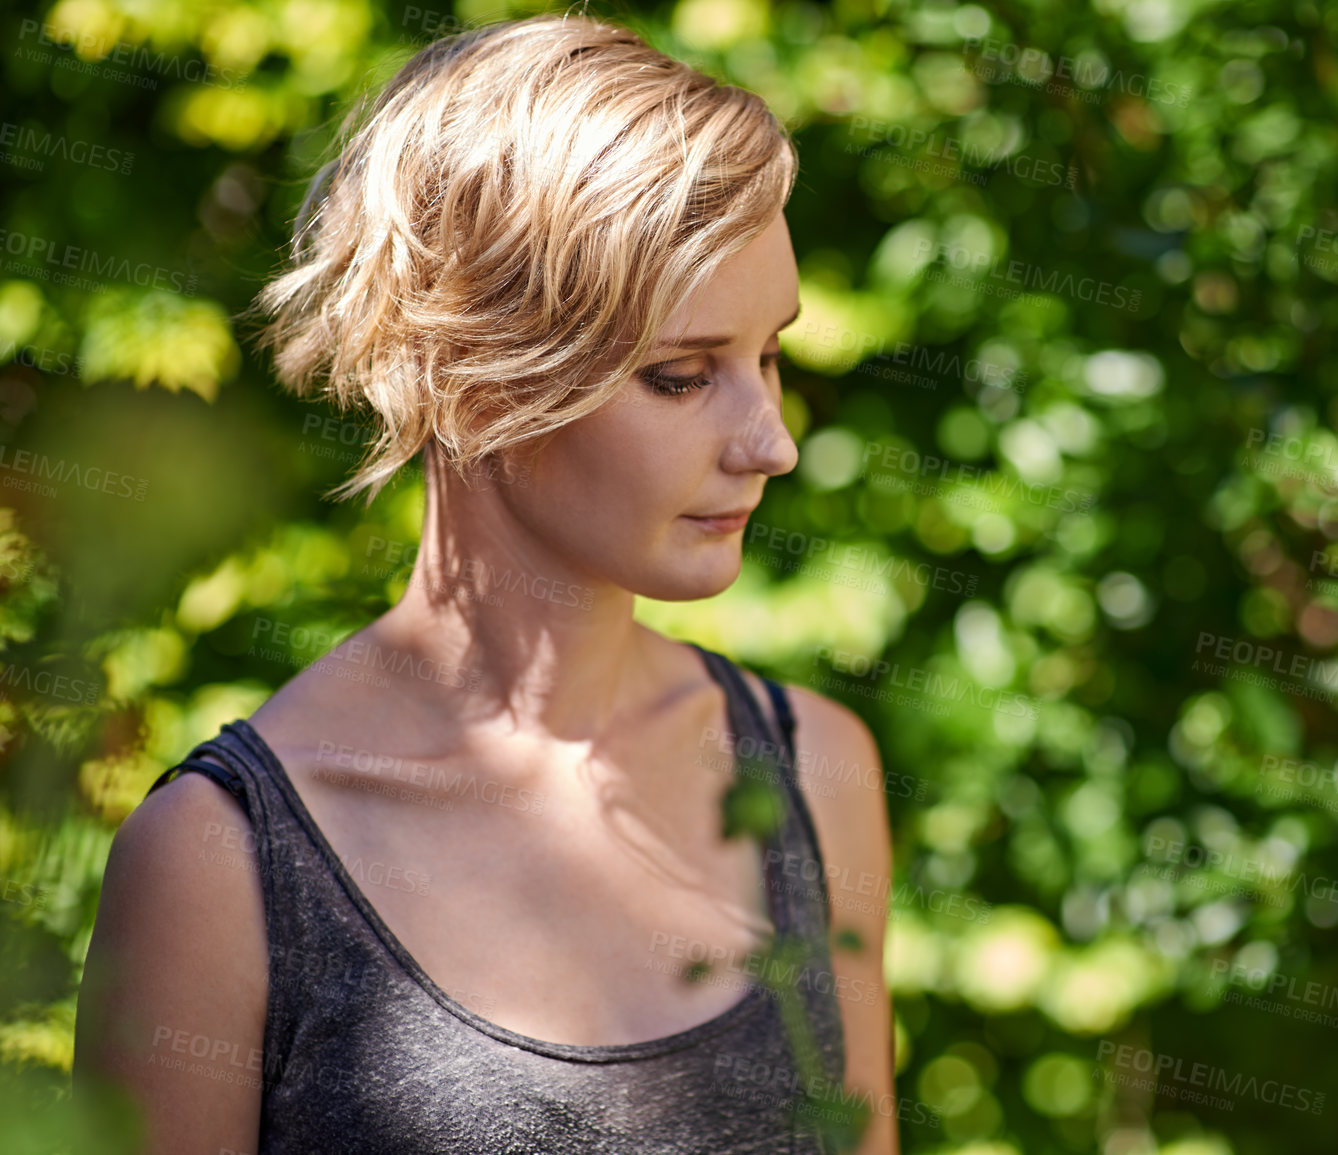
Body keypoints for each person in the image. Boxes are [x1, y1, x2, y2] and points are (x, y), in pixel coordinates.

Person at [71, 12, 896, 1154]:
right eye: (679, 376)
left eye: (770, 355)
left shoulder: (811, 773)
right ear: (471, 382)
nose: (772, 440)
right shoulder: (221, 864)